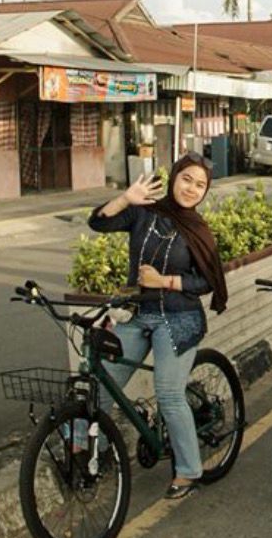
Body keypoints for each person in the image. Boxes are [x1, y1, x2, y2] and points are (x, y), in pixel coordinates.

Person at [88, 155, 229, 499]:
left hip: (179, 318)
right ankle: (89, 452)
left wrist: (164, 281)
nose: (191, 189)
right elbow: (98, 224)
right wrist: (124, 199)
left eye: (200, 185)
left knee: (168, 393)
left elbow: (205, 282)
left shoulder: (197, 228)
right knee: (101, 385)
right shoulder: (145, 212)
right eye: (187, 179)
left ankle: (188, 470)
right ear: (174, 178)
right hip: (137, 314)